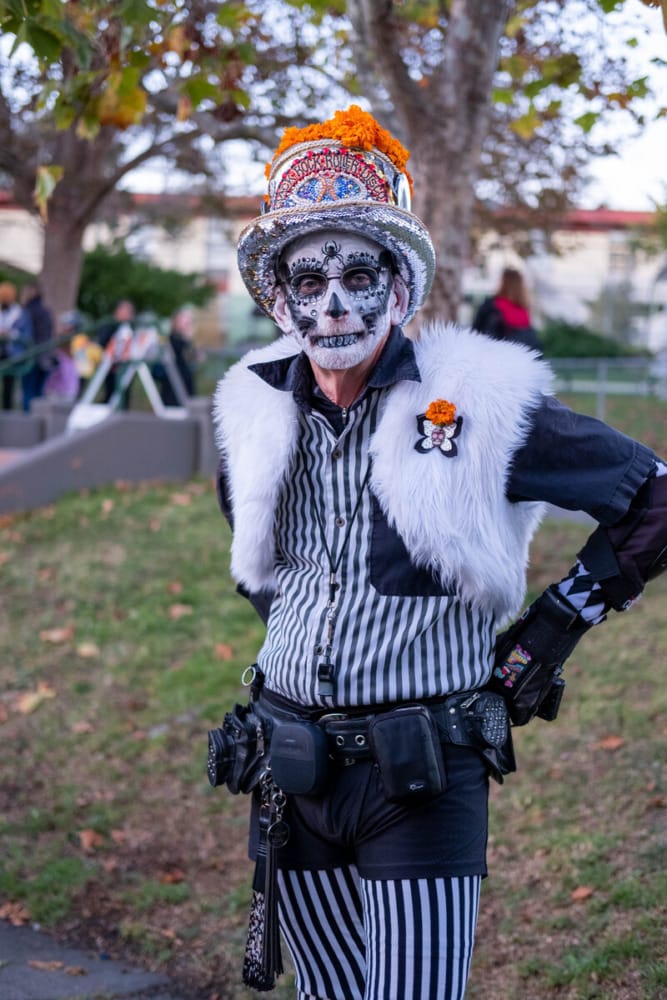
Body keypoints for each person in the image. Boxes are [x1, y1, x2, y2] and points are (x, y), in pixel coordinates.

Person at [210, 107, 667, 1000]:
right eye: (308, 280)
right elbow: (259, 558)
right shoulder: (253, 412)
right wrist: (309, 629)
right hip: (289, 768)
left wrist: (550, 629)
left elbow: (653, 495)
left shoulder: (478, 402)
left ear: (399, 291)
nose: (332, 302)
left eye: (357, 275)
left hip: (419, 777)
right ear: (279, 300)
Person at [472, 266, 542, 351]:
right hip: (519, 356)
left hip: (494, 354)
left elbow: (475, 333)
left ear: (503, 283)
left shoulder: (491, 306)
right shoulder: (524, 312)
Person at [20, 283, 54, 412]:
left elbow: (24, 334)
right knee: (39, 393)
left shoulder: (27, 311)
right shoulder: (46, 311)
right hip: (45, 357)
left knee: (28, 392)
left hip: (31, 356)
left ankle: (27, 421)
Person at [94, 299, 135, 405]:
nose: (124, 314)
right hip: (109, 364)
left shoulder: (129, 328)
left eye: (127, 312)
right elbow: (103, 343)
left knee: (122, 392)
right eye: (122, 311)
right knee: (110, 390)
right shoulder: (110, 325)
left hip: (122, 365)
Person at [0, 281, 31, 410]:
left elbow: (25, 334)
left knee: (9, 384)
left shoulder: (19, 313)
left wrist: (10, 334)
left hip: (11, 352)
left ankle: (7, 410)